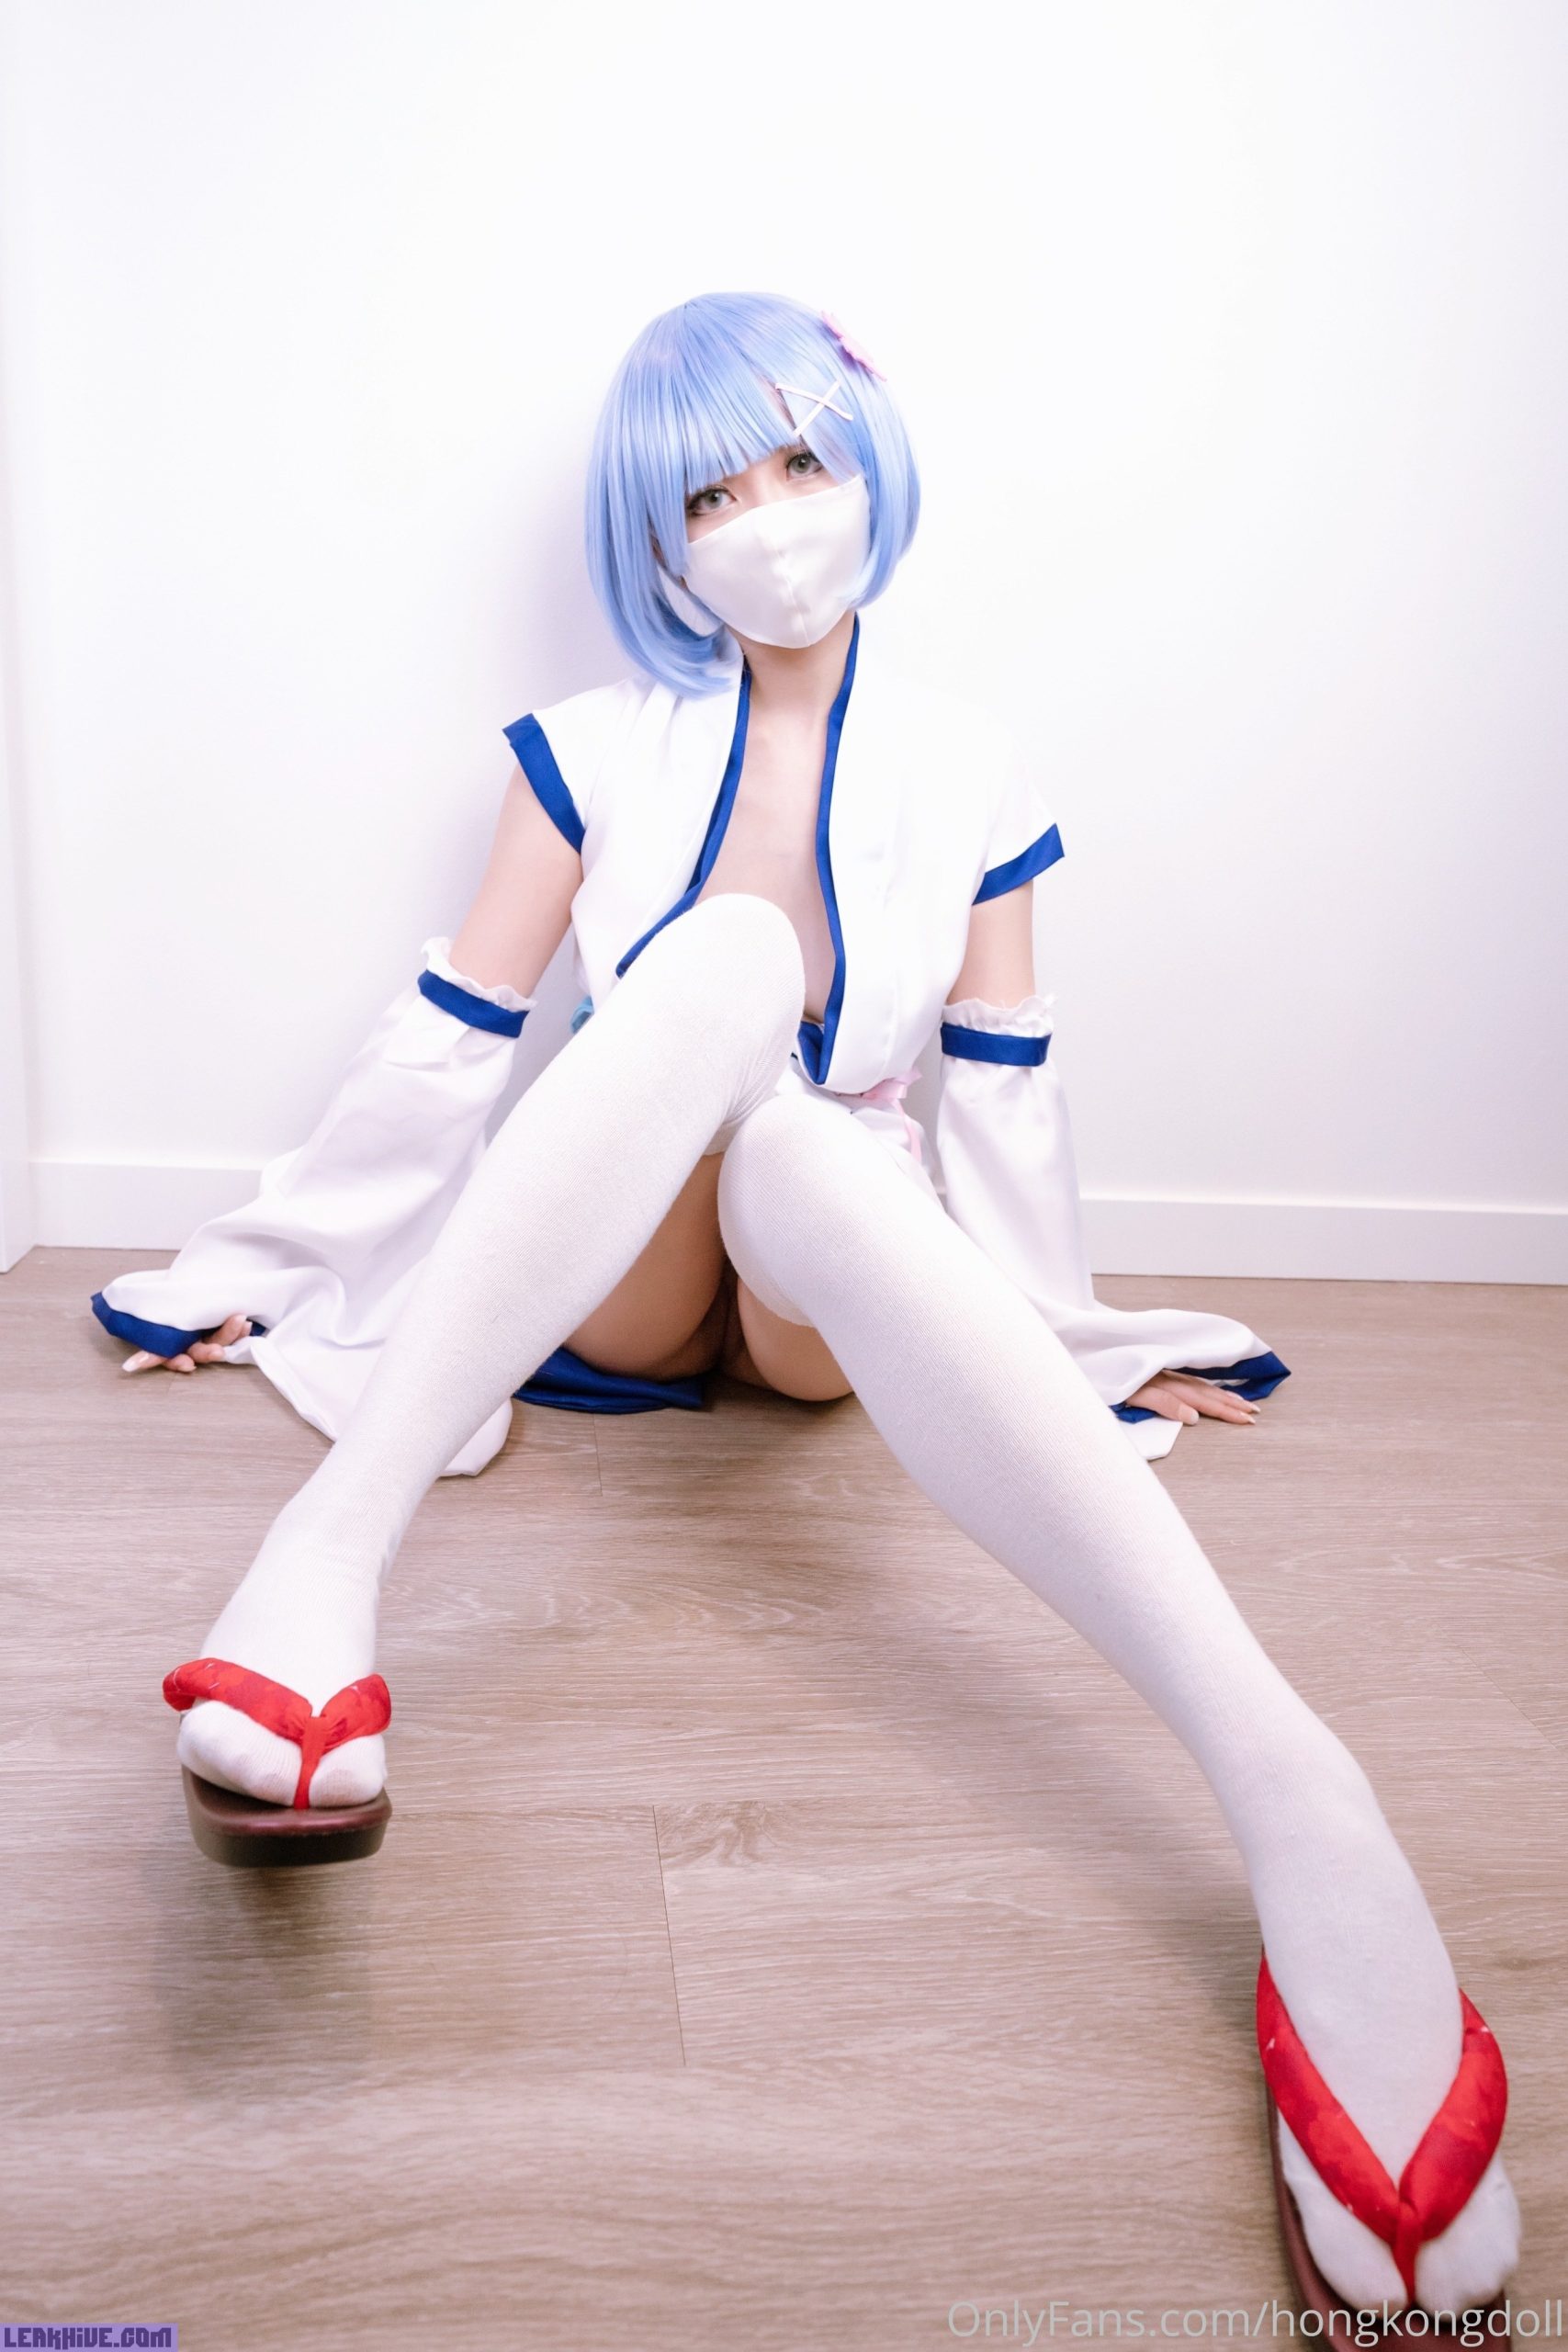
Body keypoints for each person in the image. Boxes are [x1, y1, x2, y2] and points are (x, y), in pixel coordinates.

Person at [96, 291, 1517, 2318]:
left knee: (812, 1139)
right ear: (655, 539)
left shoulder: (970, 766)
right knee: (727, 972)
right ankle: (329, 1548)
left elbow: (1001, 1090)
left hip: (811, 1282)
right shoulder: (587, 750)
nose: (764, 518)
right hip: (618, 1261)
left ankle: (1300, 1793)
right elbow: (458, 1030)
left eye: (797, 462)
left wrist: (1064, 1340)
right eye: (708, 491)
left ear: (866, 469)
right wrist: (286, 1254)